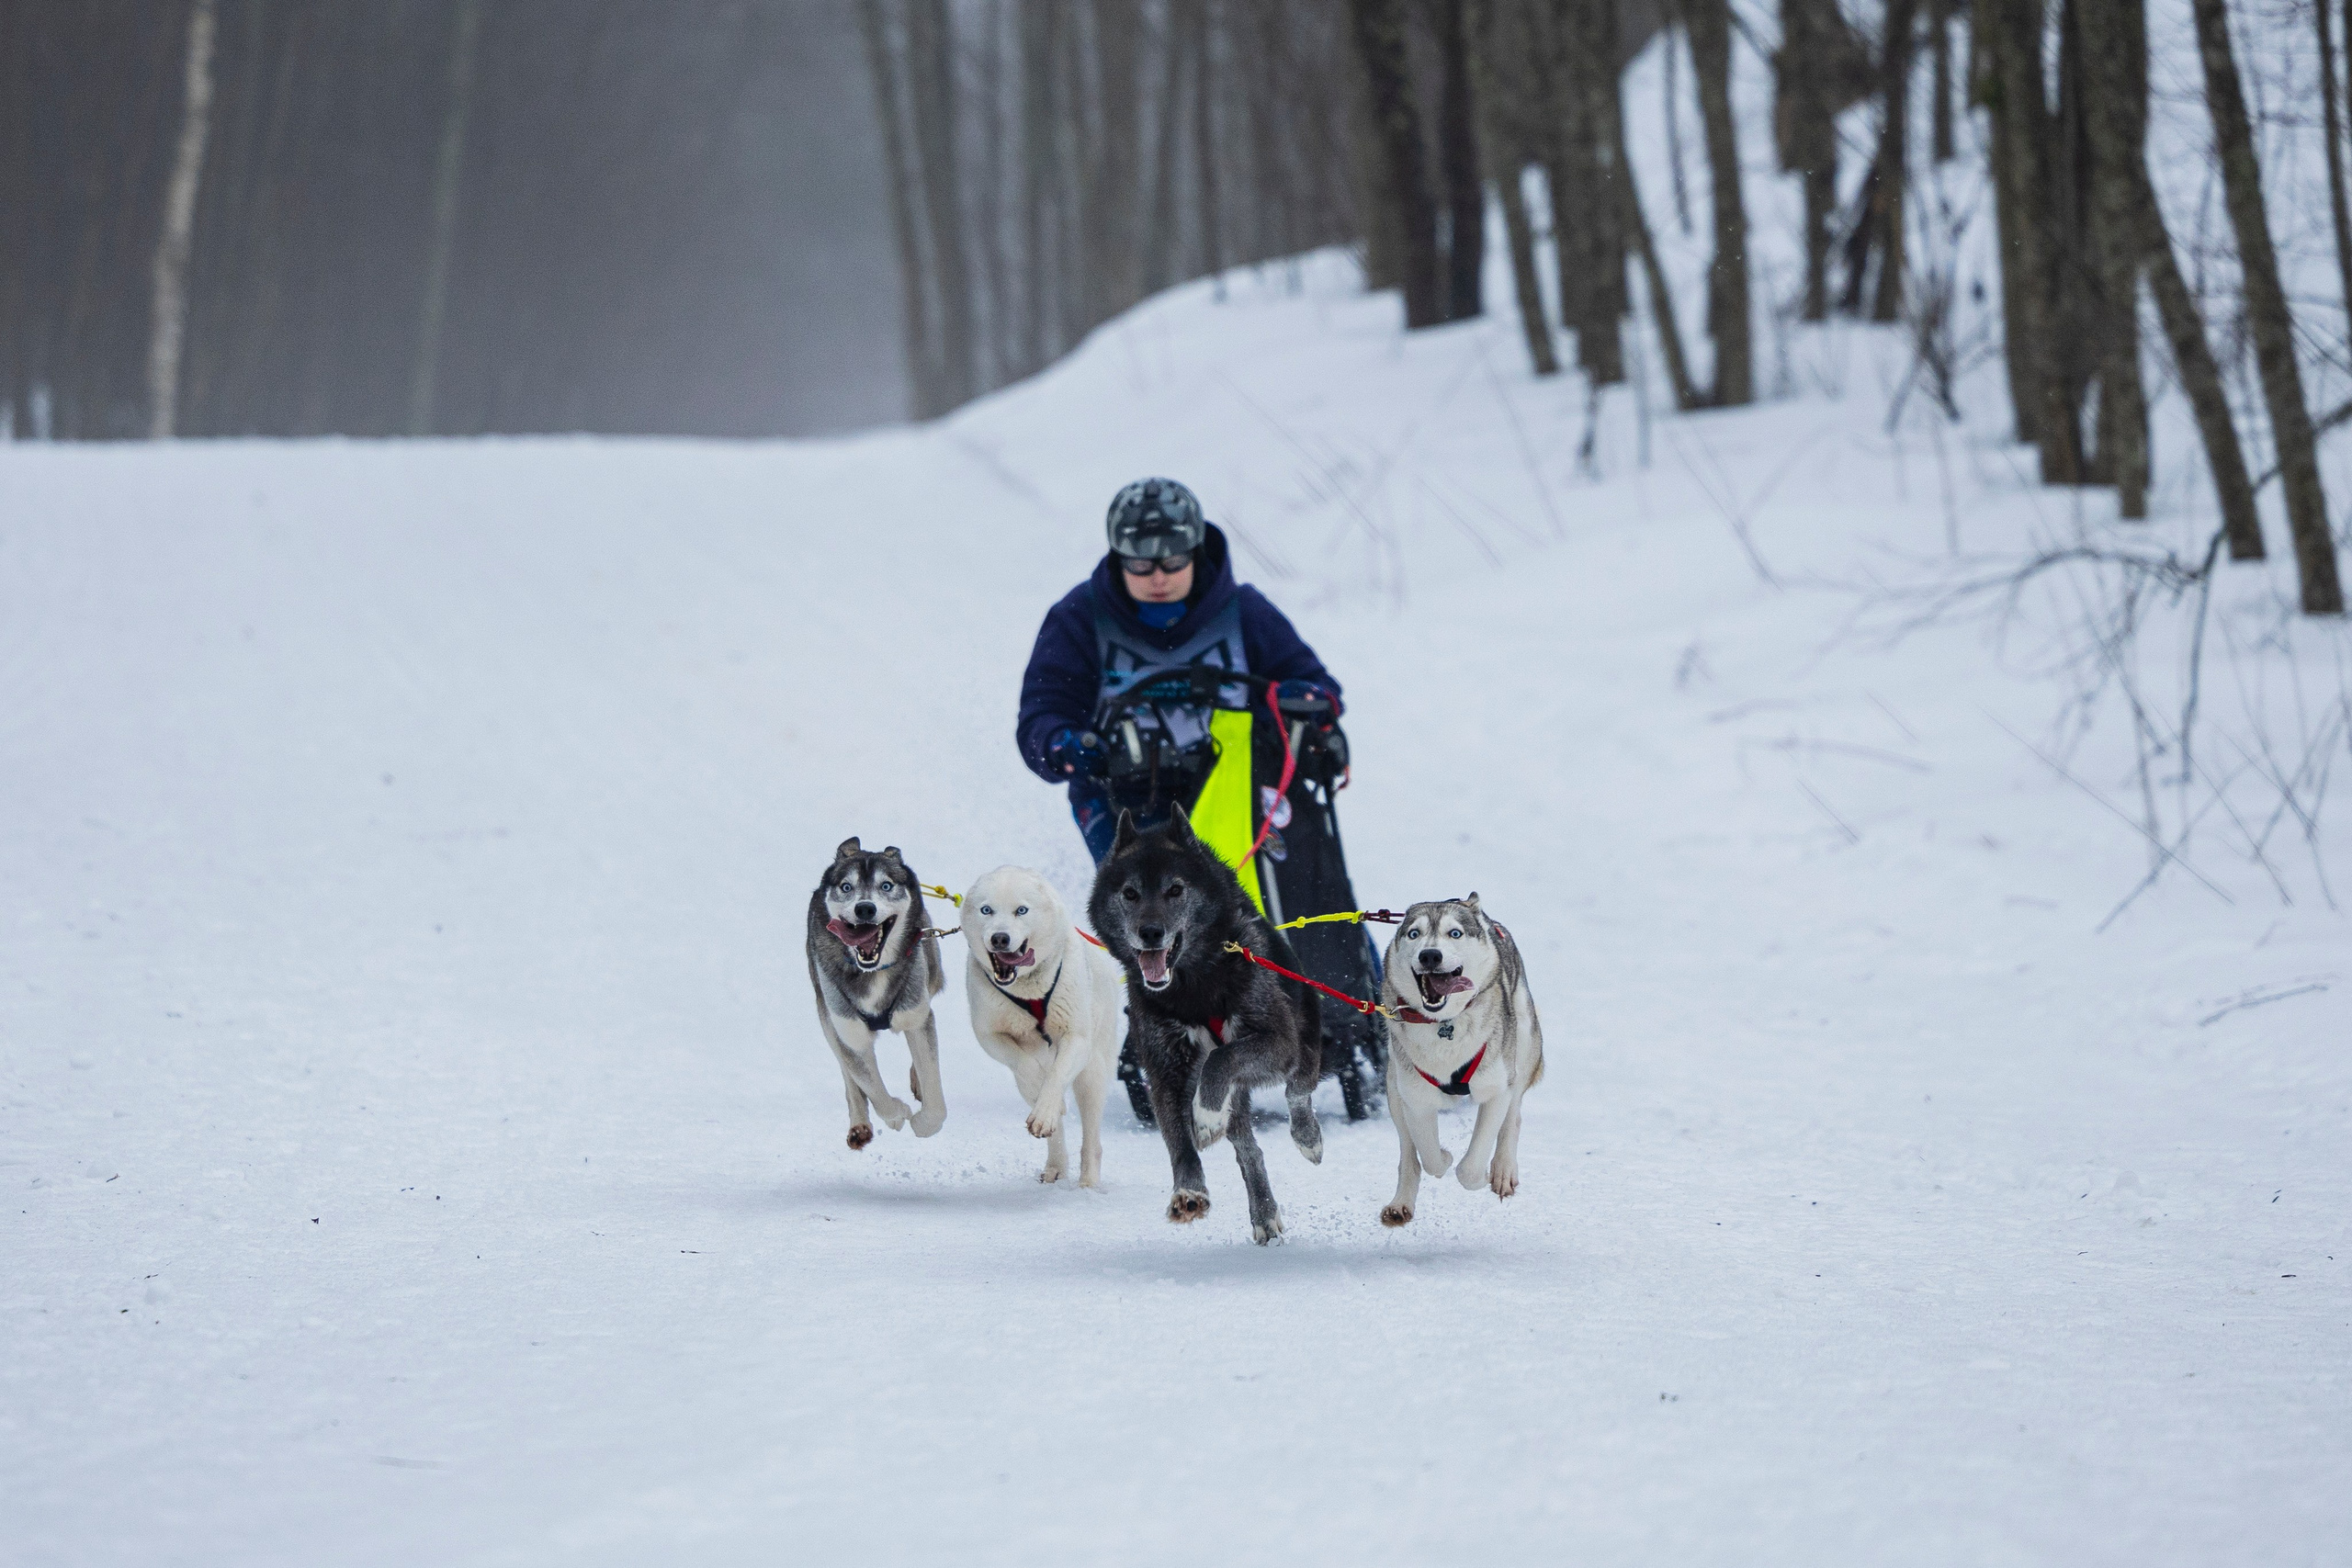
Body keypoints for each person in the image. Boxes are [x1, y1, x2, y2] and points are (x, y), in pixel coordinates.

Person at [1017, 477, 1343, 864]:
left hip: (1241, 787)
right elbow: (1042, 712)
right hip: (1122, 799)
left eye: (1173, 562)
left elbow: (1319, 687)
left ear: (1195, 552)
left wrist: (1304, 701)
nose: (1158, 578)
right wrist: (1063, 745)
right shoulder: (1077, 619)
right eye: (1140, 564)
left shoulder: (1247, 614)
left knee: (1288, 902)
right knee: (1157, 908)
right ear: (1117, 557)